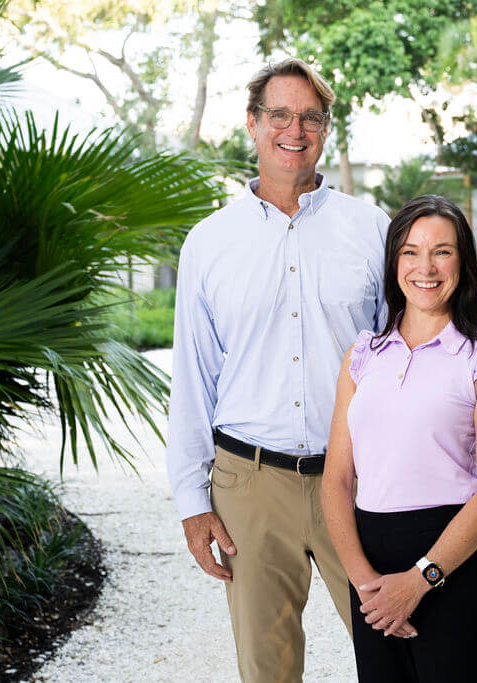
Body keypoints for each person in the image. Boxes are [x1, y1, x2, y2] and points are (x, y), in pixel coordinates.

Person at [165, 58, 390, 682]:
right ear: (252, 123)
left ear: (326, 128)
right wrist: (192, 502)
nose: (295, 130)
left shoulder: (371, 230)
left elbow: (401, 361)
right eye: (280, 115)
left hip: (357, 480)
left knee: (395, 651)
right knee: (268, 672)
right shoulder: (209, 242)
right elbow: (193, 378)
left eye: (310, 117)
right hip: (250, 484)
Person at [321, 195, 477, 682]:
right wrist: (366, 584)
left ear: (463, 262)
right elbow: (336, 482)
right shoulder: (362, 356)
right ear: (393, 262)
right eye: (410, 252)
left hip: (455, 564)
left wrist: (420, 580)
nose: (425, 267)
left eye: (442, 252)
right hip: (373, 575)